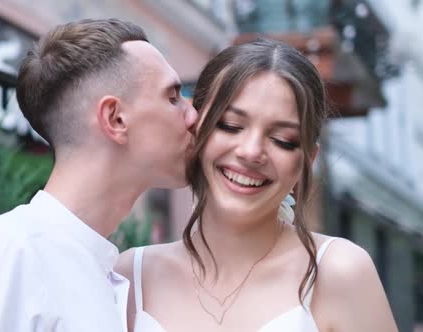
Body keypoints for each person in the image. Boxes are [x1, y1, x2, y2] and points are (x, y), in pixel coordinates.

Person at [0, 18, 197, 332]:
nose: (193, 114)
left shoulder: (99, 271)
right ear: (115, 118)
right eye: (172, 97)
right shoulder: (4, 256)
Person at [116, 38, 398, 332]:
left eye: (282, 140)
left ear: (307, 160)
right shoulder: (131, 276)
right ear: (195, 126)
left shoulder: (339, 271)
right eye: (230, 125)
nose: (251, 152)